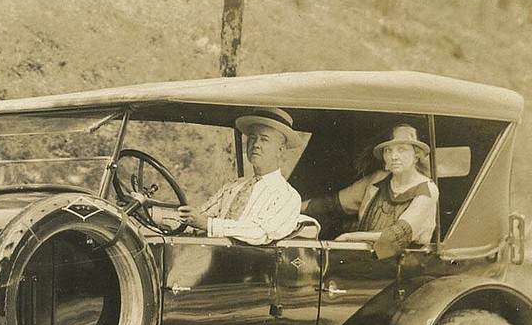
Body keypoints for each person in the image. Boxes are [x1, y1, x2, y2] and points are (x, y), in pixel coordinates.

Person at [304, 124, 439, 259]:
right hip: (365, 258)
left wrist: (351, 237)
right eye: (388, 150)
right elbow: (333, 204)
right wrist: (296, 207)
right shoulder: (378, 179)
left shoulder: (427, 189)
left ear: (416, 155)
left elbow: (397, 234)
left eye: (402, 150)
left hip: (405, 264)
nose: (394, 156)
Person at [177, 107, 301, 244]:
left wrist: (209, 225)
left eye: (264, 139)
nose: (256, 145)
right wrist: (162, 217)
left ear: (280, 149)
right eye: (252, 138)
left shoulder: (287, 196)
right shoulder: (232, 187)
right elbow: (200, 216)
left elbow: (258, 233)